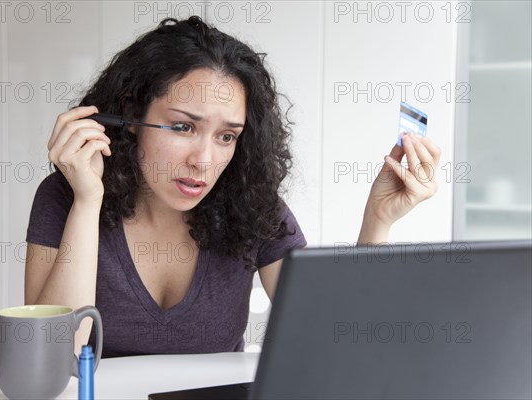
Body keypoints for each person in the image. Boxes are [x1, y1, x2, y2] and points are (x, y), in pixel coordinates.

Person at [24, 16, 440, 358]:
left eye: (226, 136)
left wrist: (378, 222)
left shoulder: (253, 205)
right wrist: (87, 201)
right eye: (183, 126)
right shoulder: (65, 196)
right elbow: (49, 356)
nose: (203, 161)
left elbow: (338, 343)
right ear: (132, 116)